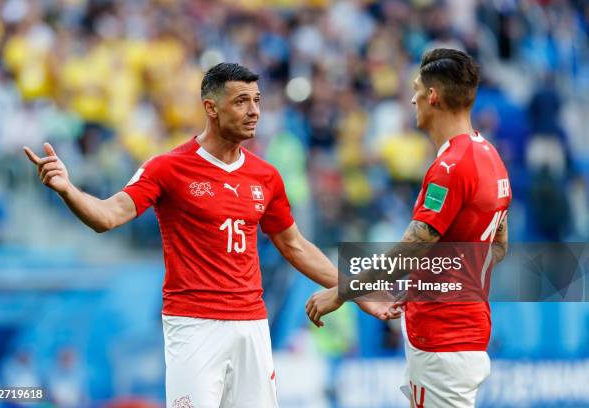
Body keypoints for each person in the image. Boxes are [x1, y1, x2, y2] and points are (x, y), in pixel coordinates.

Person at [24, 62, 389, 408]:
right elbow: (108, 216)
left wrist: (357, 292)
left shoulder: (266, 177)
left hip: (252, 326)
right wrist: (68, 189)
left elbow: (295, 246)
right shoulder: (167, 168)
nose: (254, 111)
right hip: (194, 326)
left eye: (257, 101)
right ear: (211, 108)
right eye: (241, 101)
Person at [306, 49, 512, 407]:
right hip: (462, 330)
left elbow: (412, 247)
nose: (412, 97)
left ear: (432, 96)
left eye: (416, 88)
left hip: (443, 338)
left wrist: (341, 293)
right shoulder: (489, 156)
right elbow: (499, 244)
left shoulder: (450, 167)